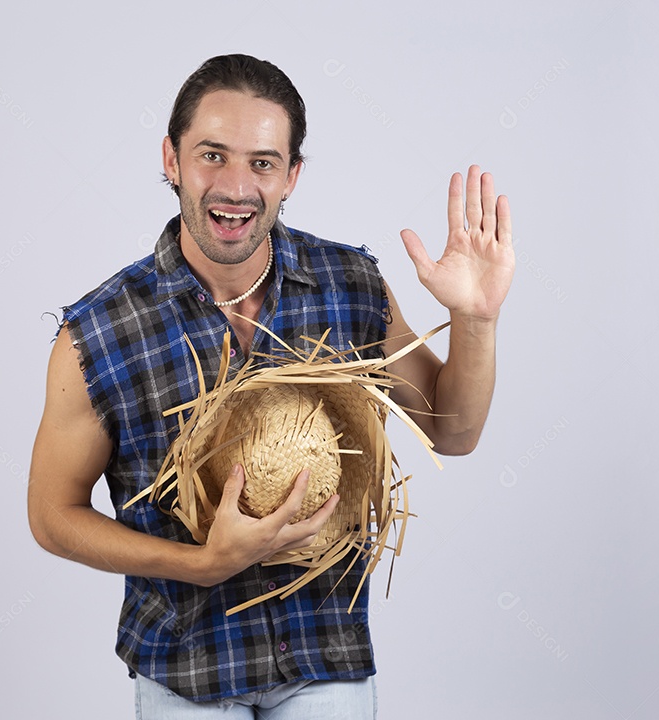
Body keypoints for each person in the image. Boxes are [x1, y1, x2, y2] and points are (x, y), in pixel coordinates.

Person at [27, 53, 514, 718]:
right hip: (187, 669)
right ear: (171, 160)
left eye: (261, 162)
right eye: (212, 155)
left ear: (291, 176)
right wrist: (201, 564)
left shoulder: (350, 286)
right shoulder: (100, 331)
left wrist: (476, 319)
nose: (235, 187)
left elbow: (452, 433)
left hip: (323, 658)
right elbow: (53, 516)